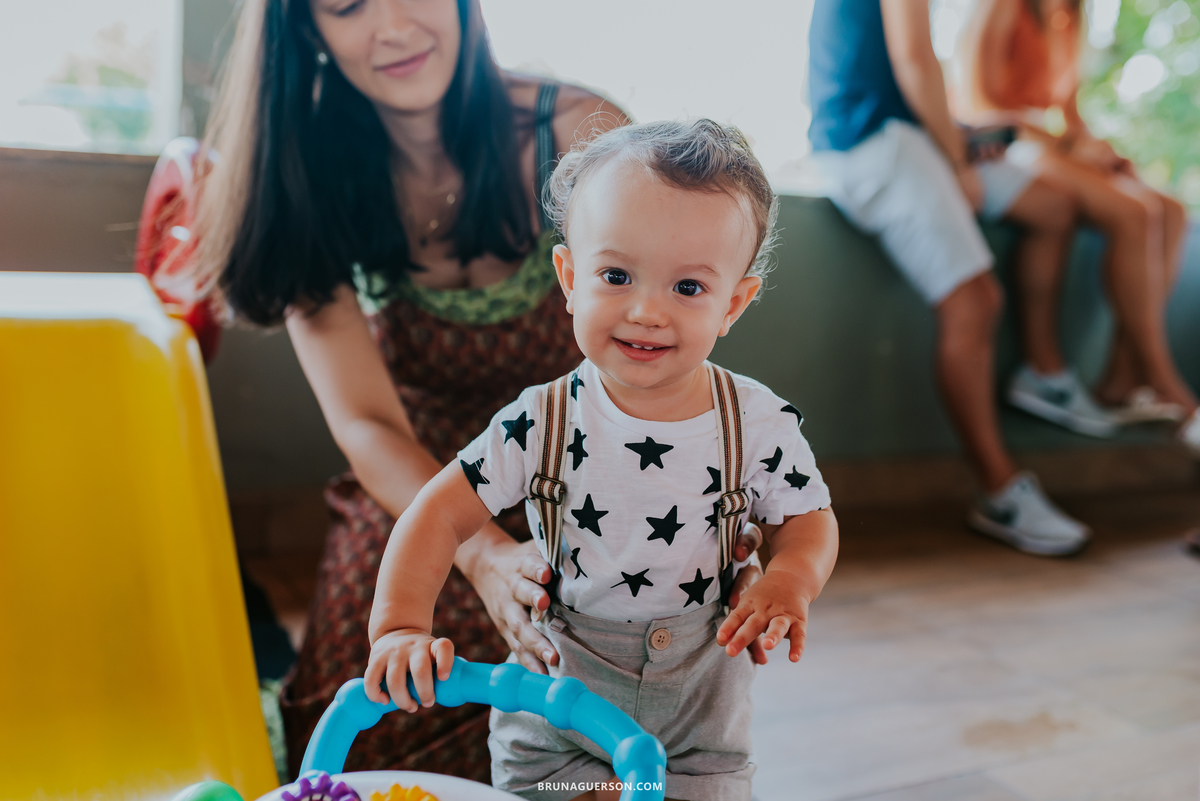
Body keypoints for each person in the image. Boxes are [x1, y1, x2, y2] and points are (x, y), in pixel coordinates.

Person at [188, 0, 769, 779]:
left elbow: (679, 354)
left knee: (616, 710)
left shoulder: (577, 129)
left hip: (593, 461)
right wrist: (483, 553)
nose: (391, 26)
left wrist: (725, 508)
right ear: (306, 31)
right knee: (367, 711)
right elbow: (364, 423)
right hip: (415, 473)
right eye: (347, 5)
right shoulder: (304, 177)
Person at [363, 119, 840, 801]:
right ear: (568, 276)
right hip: (561, 703)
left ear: (733, 303)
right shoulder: (541, 419)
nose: (646, 310)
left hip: (700, 714)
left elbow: (809, 519)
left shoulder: (758, 420)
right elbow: (437, 513)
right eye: (616, 275)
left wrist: (791, 578)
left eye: (688, 288)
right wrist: (401, 627)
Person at [806, 0, 1099, 555]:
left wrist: (959, 135)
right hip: (873, 142)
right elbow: (915, 59)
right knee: (976, 301)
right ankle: (999, 491)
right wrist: (958, 161)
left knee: (1053, 207)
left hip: (904, 128)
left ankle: (1043, 371)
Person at [957, 0, 1200, 448]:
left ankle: (1123, 378)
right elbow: (980, 103)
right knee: (1134, 213)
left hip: (1049, 145)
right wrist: (1067, 143)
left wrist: (1100, 150)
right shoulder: (1004, 6)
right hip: (1004, 147)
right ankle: (1162, 378)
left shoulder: (1071, 17)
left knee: (1169, 209)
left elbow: (1067, 112)